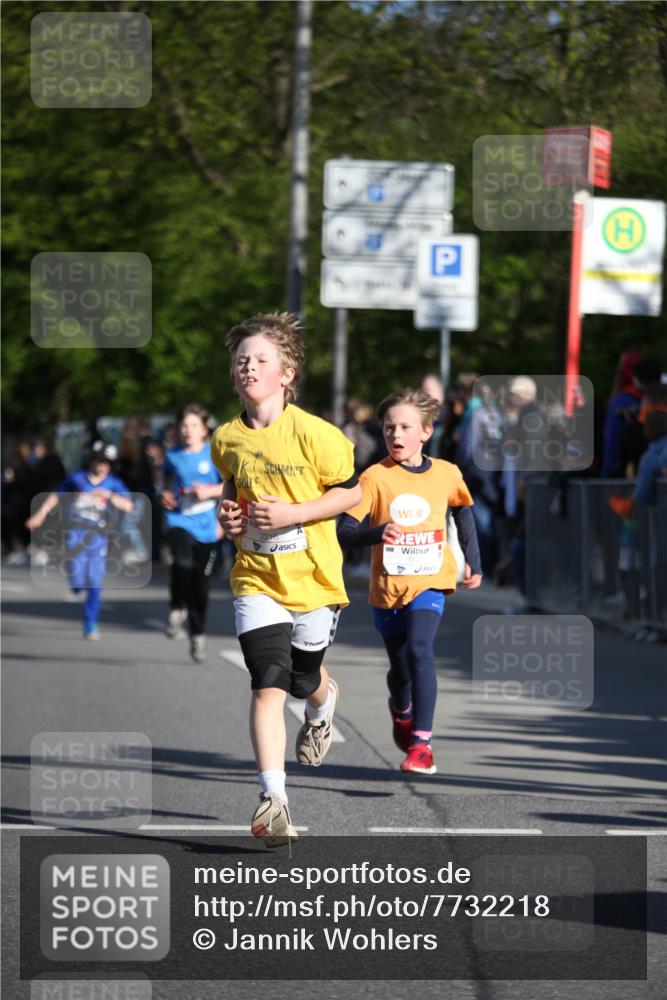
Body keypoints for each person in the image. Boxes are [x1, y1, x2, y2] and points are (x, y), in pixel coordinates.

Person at [212, 312, 361, 848]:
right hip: (256, 577)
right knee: (267, 679)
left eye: (260, 360)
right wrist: (227, 518)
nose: (248, 367)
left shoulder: (318, 436)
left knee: (303, 679)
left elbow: (352, 495)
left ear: (287, 374)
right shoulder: (227, 437)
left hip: (315, 581)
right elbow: (231, 496)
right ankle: (273, 797)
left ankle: (323, 702)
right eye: (241, 360)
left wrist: (295, 514)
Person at [338, 388, 482, 775]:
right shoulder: (374, 477)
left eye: (404, 427)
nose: (396, 435)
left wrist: (474, 562)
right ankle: (400, 709)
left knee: (421, 650)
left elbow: (463, 513)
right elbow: (345, 532)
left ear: (426, 431)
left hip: (431, 581)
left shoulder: (447, 473)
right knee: (400, 668)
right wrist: (378, 532)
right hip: (387, 590)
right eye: (389, 428)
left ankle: (422, 744)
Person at [25, 441, 133, 639]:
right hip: (76, 532)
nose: (101, 465)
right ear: (91, 459)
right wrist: (39, 516)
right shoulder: (78, 479)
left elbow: (128, 505)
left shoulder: (114, 483)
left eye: (106, 462)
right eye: (98, 460)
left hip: (98, 535)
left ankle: (90, 623)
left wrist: (108, 496)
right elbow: (56, 497)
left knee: (95, 581)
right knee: (77, 580)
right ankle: (75, 584)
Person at [161, 403, 223, 664]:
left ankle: (197, 633)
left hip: (208, 526)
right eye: (184, 426)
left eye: (193, 425)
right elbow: (164, 485)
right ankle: (177, 608)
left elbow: (231, 486)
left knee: (201, 584)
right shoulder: (172, 456)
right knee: (182, 562)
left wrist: (209, 493)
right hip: (180, 520)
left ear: (204, 429)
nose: (187, 430)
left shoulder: (215, 454)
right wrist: (163, 496)